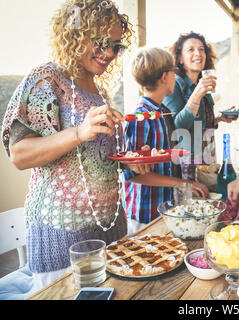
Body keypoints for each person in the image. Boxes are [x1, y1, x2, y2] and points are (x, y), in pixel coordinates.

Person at [0, 0, 140, 291]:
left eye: (116, 45)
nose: (109, 54)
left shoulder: (98, 89)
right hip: (63, 241)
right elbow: (19, 154)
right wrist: (80, 131)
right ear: (76, 35)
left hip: (110, 233)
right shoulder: (47, 78)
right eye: (100, 42)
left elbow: (92, 158)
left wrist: (125, 158)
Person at [123, 47, 209, 233]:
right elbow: (136, 175)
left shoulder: (161, 112)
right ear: (164, 77)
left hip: (162, 210)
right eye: (174, 72)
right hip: (144, 216)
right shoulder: (140, 118)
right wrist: (182, 183)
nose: (176, 77)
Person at [162, 31, 237, 181]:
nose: (198, 53)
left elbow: (198, 125)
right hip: (186, 163)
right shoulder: (174, 84)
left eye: (202, 49)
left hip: (206, 157)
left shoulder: (201, 83)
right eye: (191, 49)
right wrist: (197, 94)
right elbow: (177, 127)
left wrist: (219, 119)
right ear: (180, 58)